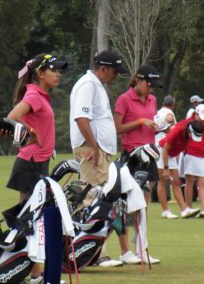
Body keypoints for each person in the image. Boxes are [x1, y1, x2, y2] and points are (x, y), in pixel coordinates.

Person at [6, 53, 67, 283]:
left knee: (34, 220)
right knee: (31, 221)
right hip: (30, 164)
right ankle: (33, 274)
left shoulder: (41, 94)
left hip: (38, 162)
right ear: (40, 73)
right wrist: (30, 133)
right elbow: (12, 117)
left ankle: (33, 273)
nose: (58, 74)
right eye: (54, 70)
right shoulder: (34, 93)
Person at [70, 50, 125, 267]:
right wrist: (93, 146)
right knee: (91, 199)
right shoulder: (88, 84)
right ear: (104, 68)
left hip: (98, 149)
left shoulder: (96, 85)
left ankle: (91, 251)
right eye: (114, 71)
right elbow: (81, 118)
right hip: (91, 149)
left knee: (98, 199)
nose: (116, 76)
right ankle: (94, 252)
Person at [114, 63, 162, 264]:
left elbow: (150, 125)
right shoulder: (124, 99)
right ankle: (125, 251)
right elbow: (117, 128)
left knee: (144, 204)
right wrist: (141, 122)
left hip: (149, 155)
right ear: (139, 80)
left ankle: (141, 248)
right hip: (131, 155)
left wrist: (157, 127)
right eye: (149, 84)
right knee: (125, 205)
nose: (151, 89)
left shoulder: (152, 99)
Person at [155, 96, 199, 219]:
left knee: (176, 181)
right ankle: (165, 211)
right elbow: (170, 120)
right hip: (162, 148)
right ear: (173, 105)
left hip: (169, 148)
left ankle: (184, 210)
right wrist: (166, 167)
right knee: (162, 181)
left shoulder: (158, 113)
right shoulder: (169, 113)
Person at [183, 104, 204, 218]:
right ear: (195, 113)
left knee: (203, 182)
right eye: (200, 116)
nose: (202, 119)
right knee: (190, 181)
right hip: (190, 154)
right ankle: (189, 208)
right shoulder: (188, 122)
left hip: (202, 155)